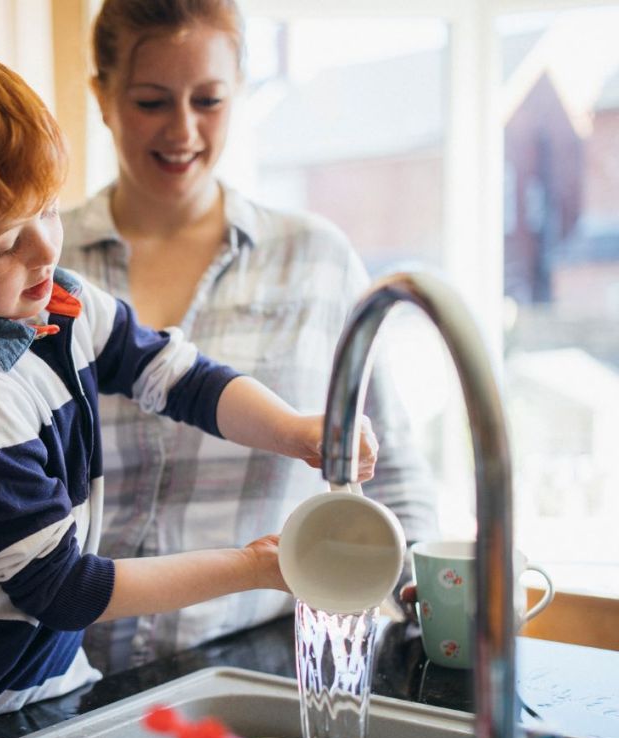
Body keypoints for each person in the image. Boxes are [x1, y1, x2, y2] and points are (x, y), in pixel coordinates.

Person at [0, 29, 379, 738]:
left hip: (48, 689)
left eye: (48, 210)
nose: (45, 250)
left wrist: (296, 430)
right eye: (2, 241)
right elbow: (67, 590)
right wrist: (255, 568)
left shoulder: (56, 302)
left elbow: (181, 378)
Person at [60, 0, 439, 674]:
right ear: (102, 96)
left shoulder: (316, 259)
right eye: (151, 101)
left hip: (263, 662)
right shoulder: (43, 267)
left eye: (209, 100)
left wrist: (430, 610)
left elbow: (394, 471)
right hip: (69, 673)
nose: (183, 130)